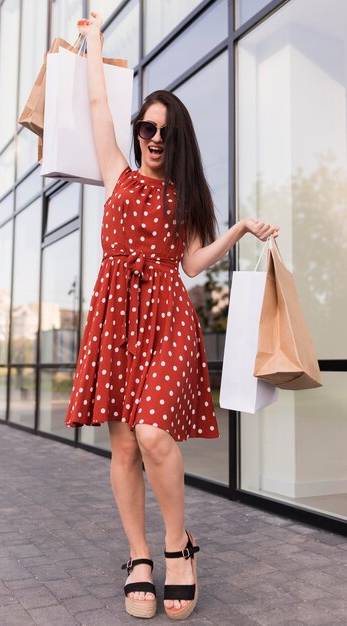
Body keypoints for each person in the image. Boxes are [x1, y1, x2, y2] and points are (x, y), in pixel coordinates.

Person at [65, 12, 279, 620]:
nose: (155, 138)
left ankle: (177, 546)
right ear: (137, 132)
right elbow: (99, 105)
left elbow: (191, 264)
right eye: (148, 127)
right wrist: (96, 50)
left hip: (167, 319)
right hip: (114, 317)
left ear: (178, 140)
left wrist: (238, 227)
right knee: (125, 447)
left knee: (155, 433)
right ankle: (138, 557)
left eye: (166, 131)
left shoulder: (184, 198)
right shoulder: (116, 174)